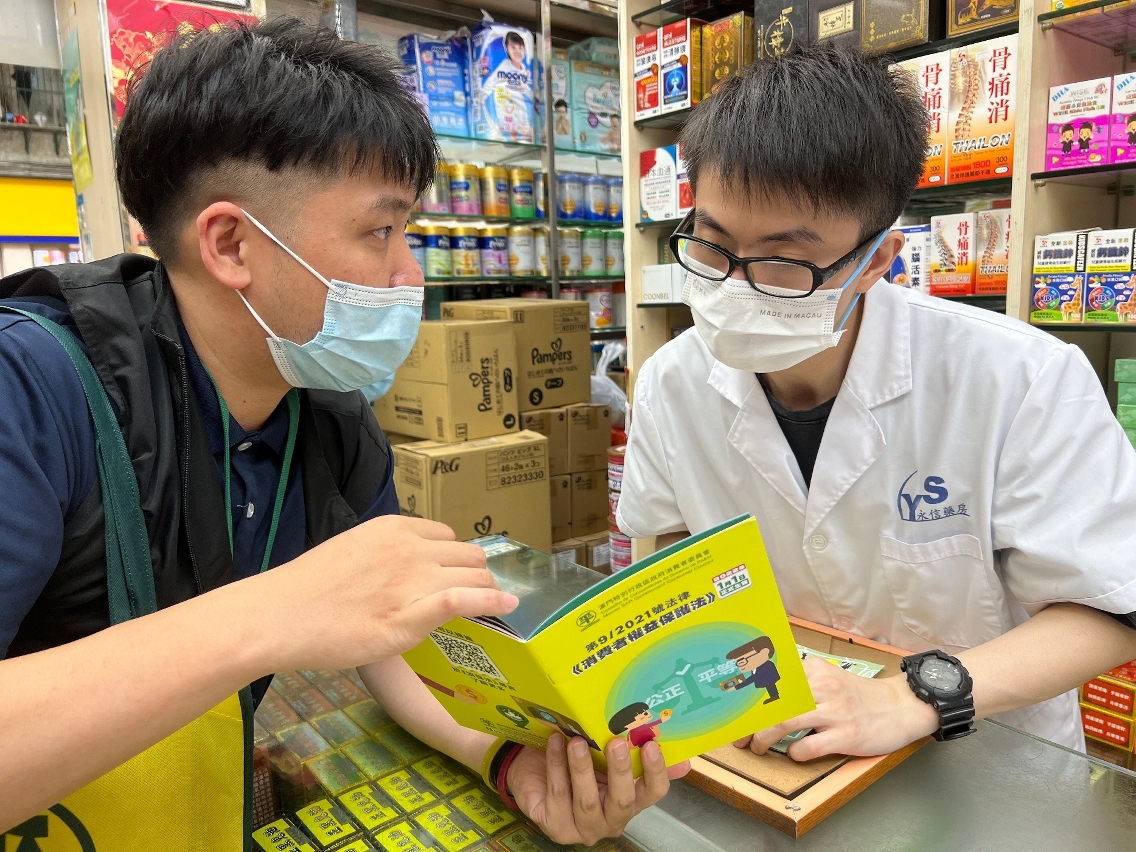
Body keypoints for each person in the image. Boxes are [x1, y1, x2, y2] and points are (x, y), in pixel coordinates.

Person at [0, 18, 675, 843]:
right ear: (230, 243)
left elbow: (393, 643)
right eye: (379, 232)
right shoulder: (31, 389)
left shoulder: (326, 410)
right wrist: (276, 611)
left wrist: (504, 756)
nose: (408, 274)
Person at [616, 47, 1136, 763]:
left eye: (784, 260)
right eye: (712, 244)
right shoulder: (671, 382)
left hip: (984, 766)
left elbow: (1110, 607)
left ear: (877, 261)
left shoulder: (1021, 378)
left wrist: (907, 698)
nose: (734, 286)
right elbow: (673, 551)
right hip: (781, 744)